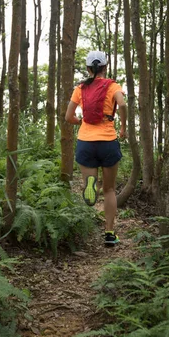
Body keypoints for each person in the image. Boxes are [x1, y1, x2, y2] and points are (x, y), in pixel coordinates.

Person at [65, 50, 127, 247]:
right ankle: (109, 234)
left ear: (88, 68)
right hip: (108, 142)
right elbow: (123, 104)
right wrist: (123, 126)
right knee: (109, 190)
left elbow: (68, 117)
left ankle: (89, 185)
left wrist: (81, 122)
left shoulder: (80, 88)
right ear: (105, 67)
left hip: (86, 142)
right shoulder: (112, 86)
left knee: (89, 183)